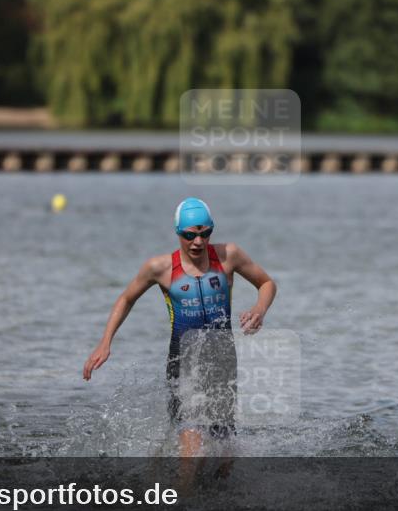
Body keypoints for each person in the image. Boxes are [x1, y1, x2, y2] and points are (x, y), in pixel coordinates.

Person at [83, 197, 277, 462]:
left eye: (205, 234)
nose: (198, 242)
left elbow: (266, 283)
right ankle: (172, 486)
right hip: (183, 362)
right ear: (178, 233)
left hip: (222, 363)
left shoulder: (228, 256)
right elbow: (126, 299)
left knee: (225, 455)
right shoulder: (160, 268)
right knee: (191, 449)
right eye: (189, 235)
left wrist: (260, 309)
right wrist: (105, 342)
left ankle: (171, 472)